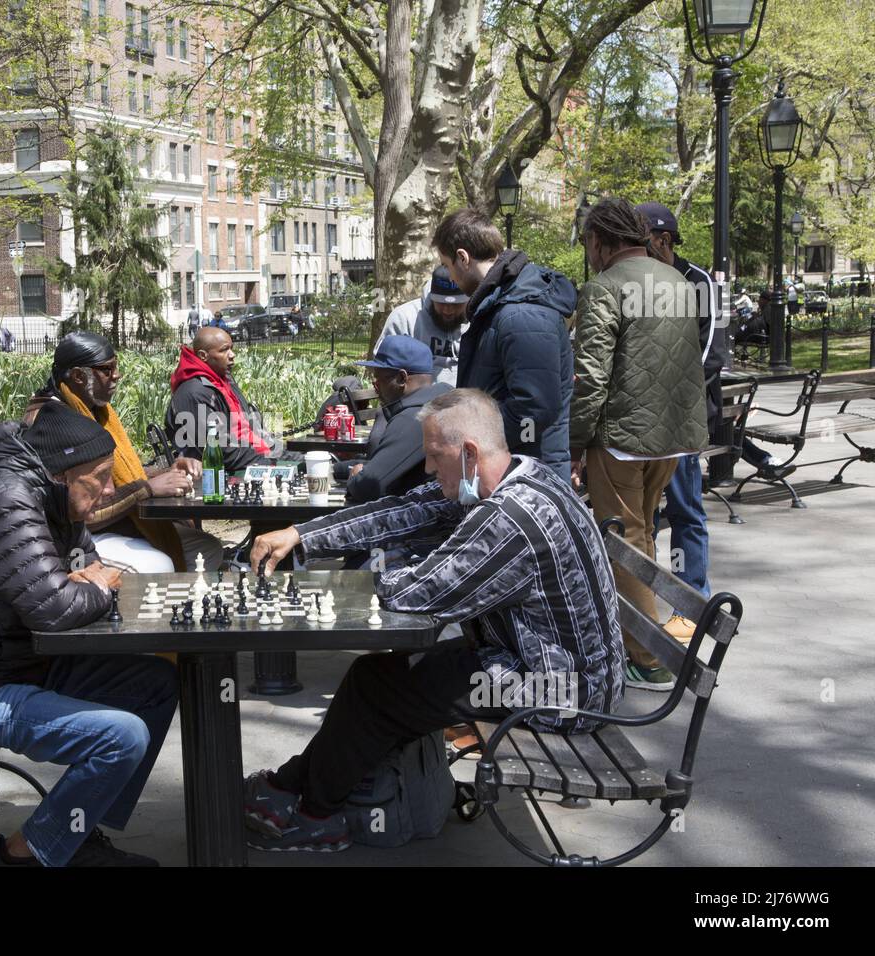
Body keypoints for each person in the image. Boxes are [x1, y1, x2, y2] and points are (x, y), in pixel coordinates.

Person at [240, 389, 624, 852]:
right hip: (539, 662)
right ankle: (293, 786)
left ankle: (317, 813)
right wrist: (302, 535)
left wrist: (325, 589)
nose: (426, 468)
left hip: (565, 690)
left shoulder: (511, 517)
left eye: (433, 456)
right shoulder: (516, 475)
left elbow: (419, 593)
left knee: (379, 688)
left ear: (468, 453)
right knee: (381, 679)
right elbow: (405, 512)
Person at [0, 403, 179, 867]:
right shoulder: (8, 501)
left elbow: (83, 572)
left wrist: (83, 582)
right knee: (122, 736)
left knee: (156, 682)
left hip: (17, 667)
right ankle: (23, 855)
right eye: (101, 477)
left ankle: (78, 831)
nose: (111, 489)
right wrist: (90, 583)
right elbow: (56, 608)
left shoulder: (54, 500)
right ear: (63, 474)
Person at [569, 198, 707, 692]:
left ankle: (649, 657)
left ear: (603, 240)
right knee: (643, 533)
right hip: (672, 438)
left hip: (622, 437)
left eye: (587, 242)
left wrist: (574, 442)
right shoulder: (678, 282)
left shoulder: (604, 287)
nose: (587, 252)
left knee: (623, 540)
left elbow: (589, 378)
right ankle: (648, 641)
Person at [24, 332, 223, 573]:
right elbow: (79, 510)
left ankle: (183, 607)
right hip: (73, 538)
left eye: (116, 366)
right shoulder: (52, 422)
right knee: (156, 566)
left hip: (115, 525)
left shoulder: (93, 409)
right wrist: (146, 489)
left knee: (206, 547)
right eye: (107, 369)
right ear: (78, 376)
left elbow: (113, 476)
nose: (116, 375)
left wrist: (163, 473)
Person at [434, 208, 576, 481]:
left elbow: (534, 410)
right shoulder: (505, 306)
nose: (450, 277)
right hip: (515, 467)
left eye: (447, 265)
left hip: (526, 474)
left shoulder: (521, 314)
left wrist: (474, 440)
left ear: (462, 258)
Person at [637, 200, 719, 641]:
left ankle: (692, 603)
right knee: (641, 515)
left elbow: (710, 354)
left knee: (685, 510)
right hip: (639, 423)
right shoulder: (639, 282)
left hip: (681, 421)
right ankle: (642, 603)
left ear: (663, 241)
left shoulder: (699, 283)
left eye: (641, 244)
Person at [334, 336, 449, 504]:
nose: (375, 385)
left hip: (431, 518)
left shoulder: (415, 418)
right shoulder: (442, 401)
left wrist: (356, 476)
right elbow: (385, 462)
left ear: (402, 378)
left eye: (379, 378)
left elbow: (367, 487)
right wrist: (336, 468)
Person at [165, 326, 285, 472]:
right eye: (224, 350)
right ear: (203, 356)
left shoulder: (223, 379)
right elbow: (220, 452)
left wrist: (275, 451)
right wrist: (272, 461)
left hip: (255, 455)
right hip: (226, 472)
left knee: (308, 460)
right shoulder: (192, 393)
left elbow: (248, 426)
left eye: (231, 348)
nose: (232, 354)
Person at [375, 266, 470, 386]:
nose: (448, 310)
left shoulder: (477, 319)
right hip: (416, 399)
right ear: (431, 296)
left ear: (467, 299)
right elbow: (383, 365)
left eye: (456, 304)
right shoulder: (404, 318)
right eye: (441, 303)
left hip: (464, 398)